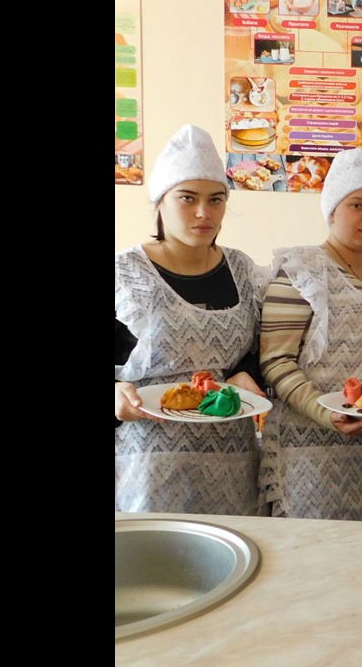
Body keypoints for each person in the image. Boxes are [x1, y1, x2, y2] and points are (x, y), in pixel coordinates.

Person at [258, 147, 362, 521]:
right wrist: (325, 413)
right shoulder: (300, 270)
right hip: (308, 456)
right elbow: (275, 361)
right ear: (332, 210)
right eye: (357, 205)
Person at [115, 124, 267, 515]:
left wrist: (247, 373)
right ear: (160, 202)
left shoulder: (243, 271)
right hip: (148, 465)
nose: (204, 213)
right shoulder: (124, 275)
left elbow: (255, 350)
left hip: (232, 462)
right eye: (187, 198)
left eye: (216, 199)